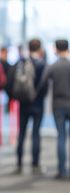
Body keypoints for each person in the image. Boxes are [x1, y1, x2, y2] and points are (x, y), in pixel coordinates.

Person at [14, 39, 47, 175]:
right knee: (35, 134)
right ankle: (35, 164)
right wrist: (38, 96)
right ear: (39, 49)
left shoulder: (21, 62)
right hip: (38, 104)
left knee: (21, 133)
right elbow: (45, 84)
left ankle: (19, 164)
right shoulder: (42, 64)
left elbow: (12, 81)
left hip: (23, 103)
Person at [37, 39, 69, 179]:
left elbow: (42, 84)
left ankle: (62, 170)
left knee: (61, 137)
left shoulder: (53, 66)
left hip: (58, 105)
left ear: (56, 49)